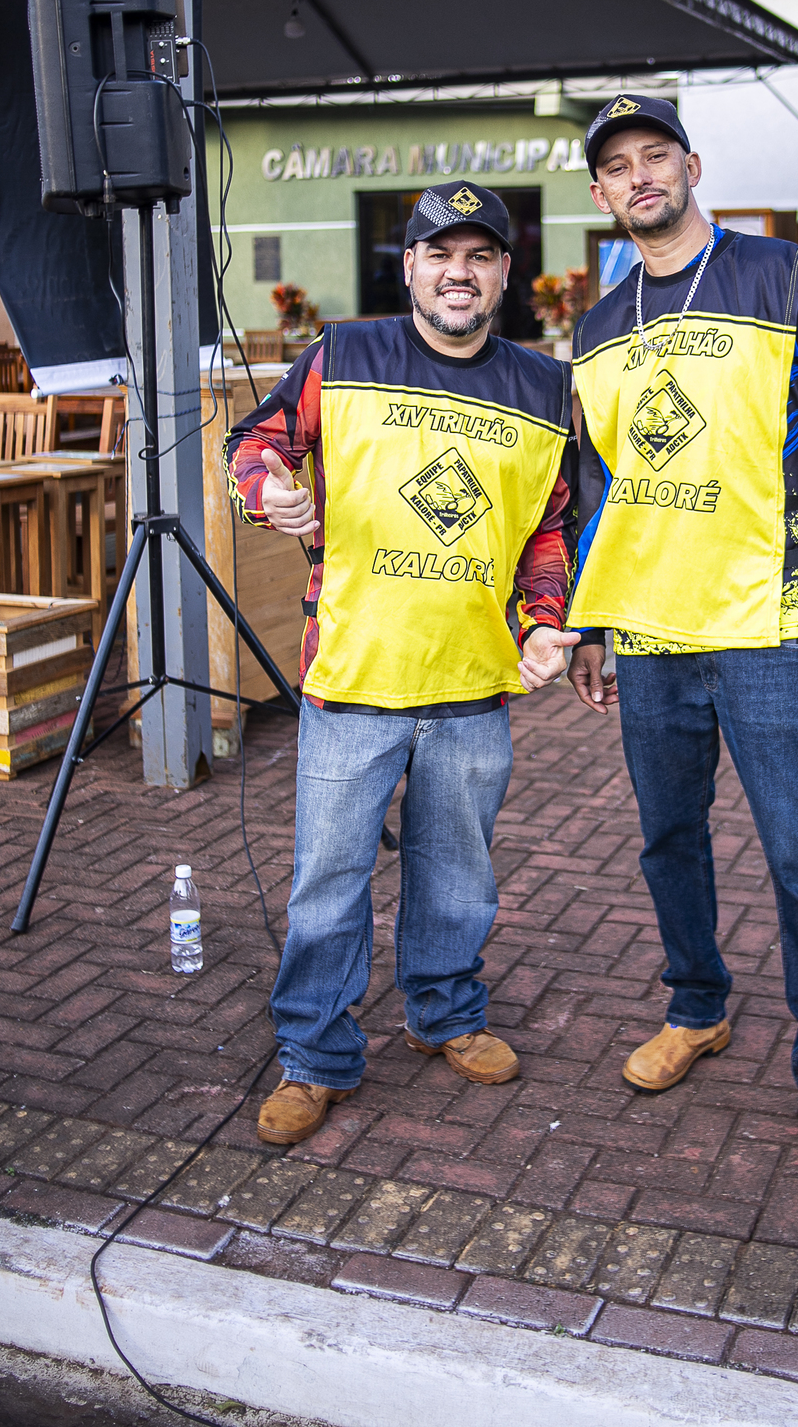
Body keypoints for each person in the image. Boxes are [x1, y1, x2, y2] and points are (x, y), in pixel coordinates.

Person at [566, 95, 798, 1189]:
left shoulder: (779, 271)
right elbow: (596, 485)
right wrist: (590, 620)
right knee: (669, 840)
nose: (640, 175)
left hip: (770, 622)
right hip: (649, 630)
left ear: (692, 165)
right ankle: (697, 1007)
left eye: (656, 154)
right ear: (600, 193)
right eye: (618, 165)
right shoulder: (597, 325)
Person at [225, 181, 579, 1147]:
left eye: (480, 257)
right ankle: (315, 1056)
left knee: (458, 876)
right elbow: (253, 443)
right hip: (353, 675)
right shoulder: (343, 355)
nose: (459, 273)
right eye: (441, 255)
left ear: (504, 272)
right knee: (328, 883)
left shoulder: (545, 387)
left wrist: (546, 622)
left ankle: (445, 1013)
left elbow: (549, 529)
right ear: (411, 265)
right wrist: (267, 493)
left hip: (472, 682)